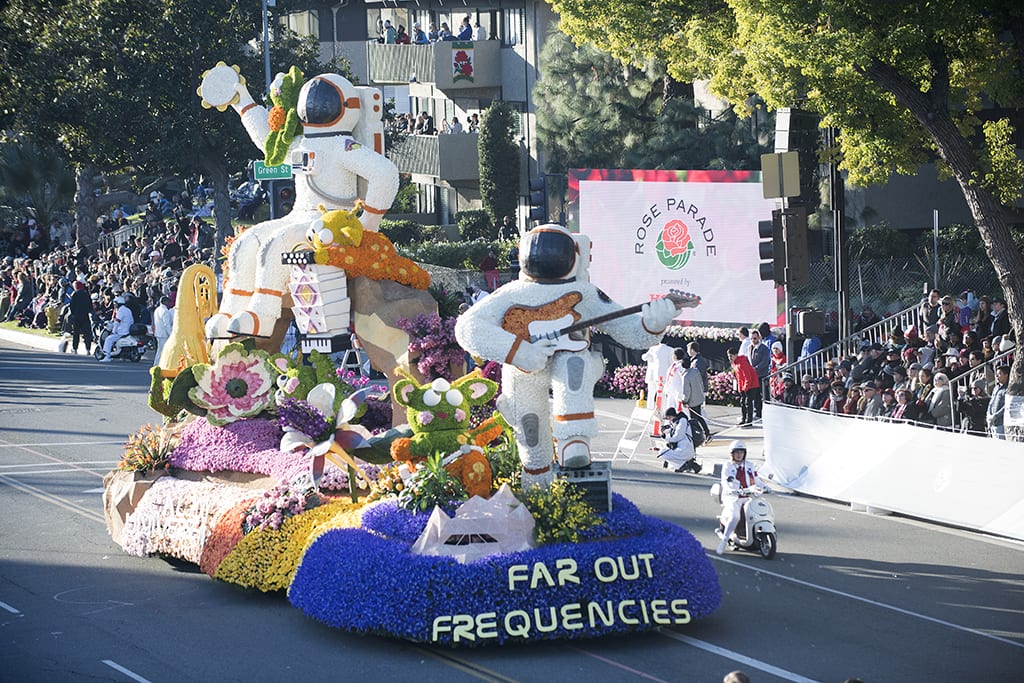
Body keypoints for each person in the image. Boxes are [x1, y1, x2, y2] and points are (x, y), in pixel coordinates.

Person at [454, 224, 682, 488]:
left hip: (569, 359)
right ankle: (536, 481)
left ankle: (574, 438)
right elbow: (468, 327)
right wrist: (520, 351)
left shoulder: (584, 293)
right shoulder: (512, 293)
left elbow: (626, 328)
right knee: (530, 425)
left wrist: (652, 325)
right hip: (523, 369)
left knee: (574, 367)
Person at [198, 66, 398, 338]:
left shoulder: (344, 146)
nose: (316, 107)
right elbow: (267, 142)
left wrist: (367, 223)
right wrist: (241, 100)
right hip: (299, 217)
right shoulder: (302, 143)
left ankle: (263, 314)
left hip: (330, 220)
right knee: (245, 242)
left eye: (323, 102)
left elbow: (385, 173)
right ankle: (230, 311)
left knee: (276, 244)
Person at [716, 440, 770, 555]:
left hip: (748, 495)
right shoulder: (728, 465)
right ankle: (724, 540)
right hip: (733, 497)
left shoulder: (749, 465)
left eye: (741, 452)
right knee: (735, 516)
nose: (739, 455)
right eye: (737, 452)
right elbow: (726, 481)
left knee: (757, 511)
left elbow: (756, 479)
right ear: (732, 453)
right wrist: (733, 490)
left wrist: (766, 487)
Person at [657, 407, 698, 473]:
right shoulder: (675, 423)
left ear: (672, 416)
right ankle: (690, 464)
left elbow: (677, 437)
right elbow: (671, 432)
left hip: (685, 449)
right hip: (683, 449)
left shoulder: (682, 421)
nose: (669, 420)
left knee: (662, 453)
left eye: (669, 418)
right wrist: (664, 430)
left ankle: (685, 465)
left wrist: (665, 437)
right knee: (663, 452)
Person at [728, 347, 760, 426]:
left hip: (752, 384)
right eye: (729, 356)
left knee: (748, 402)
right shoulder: (735, 363)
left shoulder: (742, 362)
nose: (730, 358)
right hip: (744, 384)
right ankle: (744, 418)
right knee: (742, 402)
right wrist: (740, 388)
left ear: (736, 355)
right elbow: (739, 377)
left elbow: (747, 377)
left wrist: (745, 387)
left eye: (731, 356)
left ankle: (749, 420)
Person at [99, 295, 134, 362]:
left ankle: (107, 356)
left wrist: (113, 331)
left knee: (108, 339)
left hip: (121, 332)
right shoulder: (128, 310)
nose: (114, 305)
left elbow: (117, 322)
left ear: (118, 304)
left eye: (115, 304)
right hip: (128, 330)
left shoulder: (120, 311)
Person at [746, 328, 770, 421]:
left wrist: (755, 368)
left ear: (759, 338)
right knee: (755, 396)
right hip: (753, 376)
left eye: (755, 338)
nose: (753, 340)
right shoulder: (749, 348)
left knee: (764, 395)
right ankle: (758, 413)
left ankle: (766, 413)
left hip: (762, 375)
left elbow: (765, 362)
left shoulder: (764, 348)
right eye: (751, 339)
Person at [67, 280, 94, 355]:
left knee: (76, 333)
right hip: (85, 316)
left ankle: (75, 348)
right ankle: (88, 349)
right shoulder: (86, 294)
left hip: (77, 316)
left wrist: (73, 314)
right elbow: (90, 305)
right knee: (87, 333)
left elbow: (72, 305)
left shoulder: (75, 294)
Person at [151, 295, 174, 368]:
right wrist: (171, 334)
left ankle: (157, 364)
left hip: (158, 333)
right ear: (165, 302)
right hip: (164, 334)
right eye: (168, 301)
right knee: (162, 350)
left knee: (160, 349)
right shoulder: (165, 311)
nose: (169, 303)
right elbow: (166, 324)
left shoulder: (157, 310)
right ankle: (158, 364)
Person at [986, 365, 1009, 439]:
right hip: (992, 422)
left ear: (1006, 375)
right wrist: (988, 415)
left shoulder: (1008, 389)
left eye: (999, 374)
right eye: (996, 374)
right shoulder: (996, 388)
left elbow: (1006, 406)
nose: (996, 376)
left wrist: (996, 415)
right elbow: (991, 402)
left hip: (1001, 423)